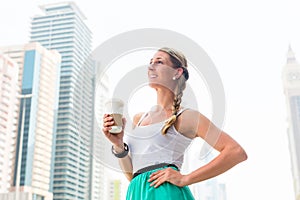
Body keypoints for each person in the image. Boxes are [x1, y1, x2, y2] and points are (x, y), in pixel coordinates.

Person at [102, 47, 247, 200]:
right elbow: (133, 175)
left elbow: (236, 152)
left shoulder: (187, 117)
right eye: (150, 62)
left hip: (167, 194)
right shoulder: (139, 118)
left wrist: (186, 178)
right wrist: (118, 145)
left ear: (177, 72)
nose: (151, 66)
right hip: (138, 194)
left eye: (159, 62)